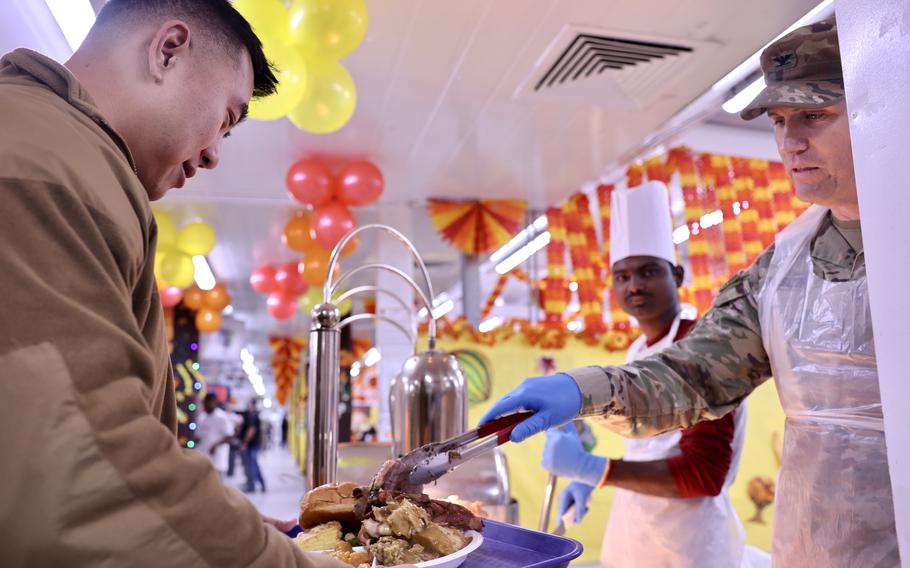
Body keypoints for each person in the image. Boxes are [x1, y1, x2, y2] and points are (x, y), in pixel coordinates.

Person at [482, 18, 900, 566]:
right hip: (813, 542)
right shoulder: (782, 268)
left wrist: (598, 470)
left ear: (884, 110)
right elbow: (690, 378)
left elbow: (701, 470)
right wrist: (580, 390)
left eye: (815, 116)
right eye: (778, 120)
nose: (790, 142)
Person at [0, 1, 344, 565]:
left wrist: (221, 522)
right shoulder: (46, 165)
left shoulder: (78, 162)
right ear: (168, 50)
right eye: (226, 120)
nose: (212, 155)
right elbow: (77, 471)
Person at [542, 181, 753, 568]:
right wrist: (589, 479)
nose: (634, 285)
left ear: (678, 275)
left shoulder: (705, 347)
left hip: (692, 546)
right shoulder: (637, 351)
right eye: (622, 276)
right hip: (635, 535)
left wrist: (595, 469)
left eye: (648, 272)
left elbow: (705, 474)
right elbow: (648, 447)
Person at [195, 393, 236, 478]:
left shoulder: (222, 417)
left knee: (217, 486)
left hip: (217, 460)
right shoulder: (202, 417)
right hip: (203, 457)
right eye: (205, 403)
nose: (206, 405)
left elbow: (230, 436)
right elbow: (198, 435)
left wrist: (216, 445)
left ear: (215, 403)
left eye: (208, 403)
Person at [241, 399, 266, 493]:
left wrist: (245, 443)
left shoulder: (252, 415)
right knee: (254, 464)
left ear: (252, 404)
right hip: (253, 444)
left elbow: (251, 430)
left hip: (251, 445)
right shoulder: (253, 414)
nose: (247, 405)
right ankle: (261, 484)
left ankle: (251, 486)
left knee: (251, 465)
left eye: (248, 403)